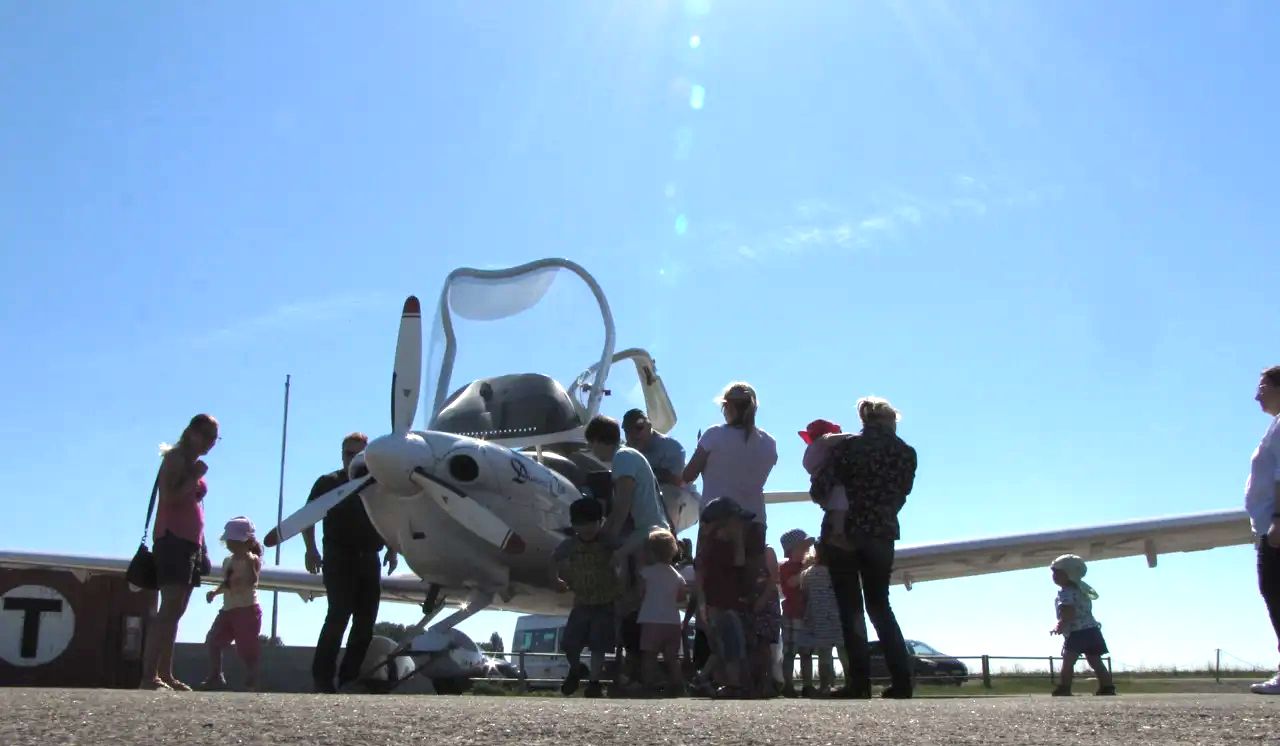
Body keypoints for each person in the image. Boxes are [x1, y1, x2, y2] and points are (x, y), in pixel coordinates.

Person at [820, 396, 917, 699]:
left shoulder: (847, 448)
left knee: (851, 609)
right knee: (880, 605)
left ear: (863, 419)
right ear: (891, 420)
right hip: (882, 533)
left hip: (844, 535)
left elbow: (820, 489)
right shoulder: (906, 453)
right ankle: (902, 680)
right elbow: (902, 493)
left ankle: (859, 682)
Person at [303, 432, 399, 694]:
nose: (352, 459)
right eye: (348, 454)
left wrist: (392, 550)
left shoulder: (378, 483)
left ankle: (349, 677)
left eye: (358, 454)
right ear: (341, 455)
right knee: (338, 615)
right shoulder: (327, 482)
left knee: (365, 622)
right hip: (338, 557)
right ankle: (322, 677)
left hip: (370, 557)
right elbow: (307, 516)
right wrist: (310, 549)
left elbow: (390, 517)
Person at [140, 413, 218, 691]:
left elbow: (193, 508)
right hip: (172, 539)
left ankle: (165, 672)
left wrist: (203, 546)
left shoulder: (192, 463)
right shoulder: (175, 460)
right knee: (169, 607)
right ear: (192, 432)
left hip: (190, 542)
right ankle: (148, 676)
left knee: (178, 610)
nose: (211, 443)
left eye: (215, 438)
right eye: (207, 435)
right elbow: (170, 497)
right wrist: (194, 477)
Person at [683, 382, 778, 559]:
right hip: (754, 520)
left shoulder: (713, 434)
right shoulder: (769, 442)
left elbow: (688, 475)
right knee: (749, 581)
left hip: (717, 521)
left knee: (714, 580)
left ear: (728, 407)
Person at [553, 497, 620, 698]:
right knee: (570, 644)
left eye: (592, 523)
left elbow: (623, 555)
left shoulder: (608, 542)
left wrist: (622, 579)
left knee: (598, 645)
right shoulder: (570, 545)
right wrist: (555, 580)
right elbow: (553, 561)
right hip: (581, 602)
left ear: (600, 522)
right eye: (582, 524)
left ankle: (594, 682)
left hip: (605, 602)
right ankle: (576, 669)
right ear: (574, 525)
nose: (588, 529)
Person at [694, 497, 754, 698]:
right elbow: (739, 562)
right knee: (732, 645)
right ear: (724, 523)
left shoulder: (708, 546)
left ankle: (703, 678)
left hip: (717, 604)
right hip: (723, 605)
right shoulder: (719, 545)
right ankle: (733, 684)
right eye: (737, 523)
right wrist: (738, 540)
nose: (741, 527)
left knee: (721, 647)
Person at [1246, 365, 1280, 695]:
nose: (1257, 394)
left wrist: (1278, 521)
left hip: (1276, 528)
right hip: (1269, 526)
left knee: (1277, 595)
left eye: (1263, 386)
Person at [200, 516, 264, 691]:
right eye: (230, 541)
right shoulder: (228, 561)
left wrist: (251, 563)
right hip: (228, 609)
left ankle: (252, 674)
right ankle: (215, 675)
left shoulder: (253, 559)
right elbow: (227, 582)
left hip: (247, 609)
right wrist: (215, 592)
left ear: (247, 542)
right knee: (213, 640)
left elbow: (253, 581)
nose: (231, 545)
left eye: (236, 541)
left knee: (246, 647)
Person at [1049, 554, 1116, 696]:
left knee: (1068, 661)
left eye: (1057, 572)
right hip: (1092, 630)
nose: (1054, 576)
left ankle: (1064, 687)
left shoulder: (1066, 592)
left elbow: (1068, 611)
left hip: (1077, 632)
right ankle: (1107, 686)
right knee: (1095, 661)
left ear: (1069, 574)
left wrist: (1060, 624)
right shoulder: (1083, 590)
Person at [637, 528, 688, 696]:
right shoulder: (677, 576)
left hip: (652, 619)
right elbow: (681, 598)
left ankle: (649, 686)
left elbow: (641, 593)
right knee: (672, 657)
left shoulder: (647, 572)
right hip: (672, 621)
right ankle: (678, 685)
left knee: (649, 656)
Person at [802, 544, 850, 697]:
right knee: (843, 652)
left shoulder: (808, 574)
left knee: (824, 655)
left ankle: (824, 686)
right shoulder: (836, 572)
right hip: (837, 617)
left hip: (819, 619)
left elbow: (805, 595)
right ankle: (850, 681)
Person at [801, 419, 854, 548]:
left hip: (819, 487)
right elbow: (849, 437)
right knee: (840, 500)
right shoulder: (824, 441)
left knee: (834, 505)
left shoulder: (812, 449)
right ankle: (838, 533)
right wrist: (862, 436)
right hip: (827, 484)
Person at [778, 528, 815, 698]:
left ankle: (808, 685)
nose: (807, 550)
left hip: (806, 615)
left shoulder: (807, 567)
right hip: (792, 615)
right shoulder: (786, 567)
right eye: (804, 547)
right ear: (793, 550)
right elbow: (792, 583)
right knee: (789, 652)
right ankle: (788, 684)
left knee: (806, 652)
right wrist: (805, 569)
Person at [622, 408, 687, 487]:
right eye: (628, 431)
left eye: (639, 428)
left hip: (681, 497)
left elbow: (677, 482)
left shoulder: (671, 448)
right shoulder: (623, 454)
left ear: (649, 425)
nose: (634, 434)